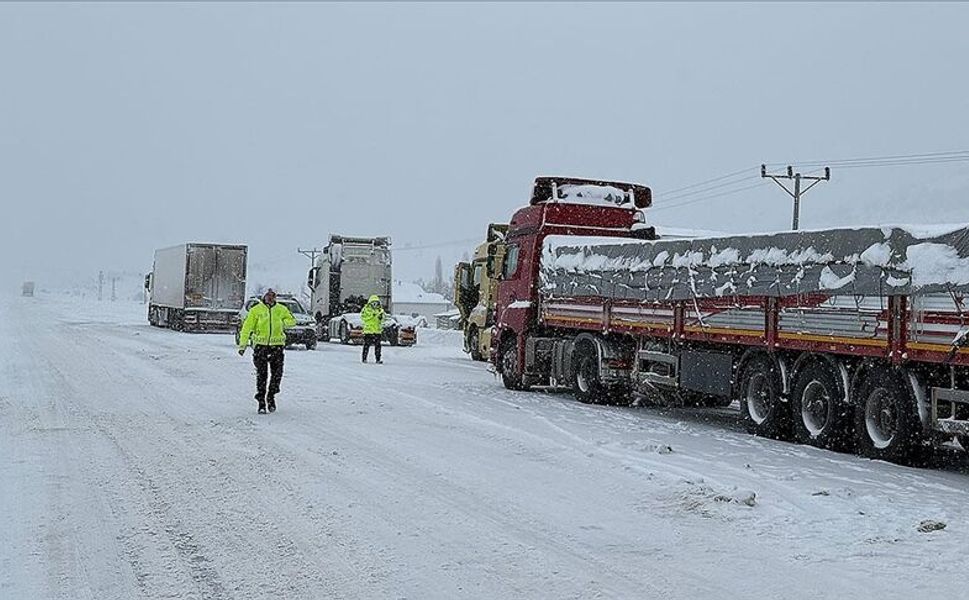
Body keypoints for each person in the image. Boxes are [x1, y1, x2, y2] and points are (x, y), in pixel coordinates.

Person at [238, 288, 296, 414]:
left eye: (273, 295)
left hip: (277, 346)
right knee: (262, 375)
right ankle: (261, 402)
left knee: (277, 374)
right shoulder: (256, 310)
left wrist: (283, 323)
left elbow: (292, 321)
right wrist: (243, 345)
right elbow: (246, 328)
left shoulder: (281, 309)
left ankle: (271, 396)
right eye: (268, 295)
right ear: (263, 297)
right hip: (261, 347)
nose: (270, 298)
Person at [360, 294, 385, 364]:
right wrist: (372, 316)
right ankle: (364, 358)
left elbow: (383, 320)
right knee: (366, 345)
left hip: (377, 331)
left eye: (376, 303)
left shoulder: (380, 310)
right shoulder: (366, 309)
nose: (374, 305)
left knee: (378, 346)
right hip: (368, 331)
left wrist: (381, 318)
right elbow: (363, 317)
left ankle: (378, 359)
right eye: (373, 303)